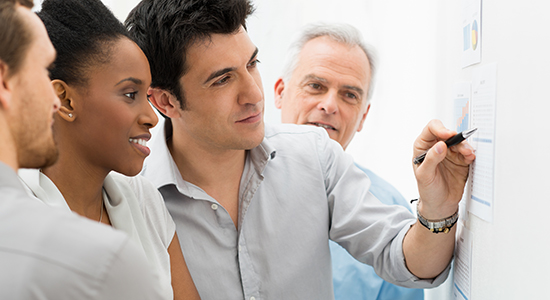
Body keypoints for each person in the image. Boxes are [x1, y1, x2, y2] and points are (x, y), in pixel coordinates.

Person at [126, 0, 476, 299]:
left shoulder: (314, 157)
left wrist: (438, 206)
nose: (254, 95)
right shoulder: (128, 196)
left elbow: (410, 263)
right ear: (165, 101)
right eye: (222, 79)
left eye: (252, 65)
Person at [16, 0, 199, 299]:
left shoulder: (143, 201)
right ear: (64, 100)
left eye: (146, 94)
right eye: (130, 94)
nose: (152, 117)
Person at [274, 23, 424, 300]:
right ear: (280, 93)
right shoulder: (225, 183)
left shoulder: (389, 209)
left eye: (349, 95)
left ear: (363, 116)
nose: (329, 105)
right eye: (315, 86)